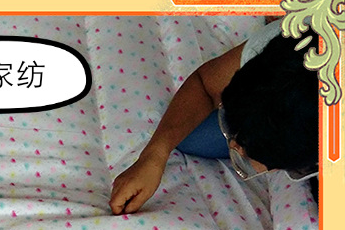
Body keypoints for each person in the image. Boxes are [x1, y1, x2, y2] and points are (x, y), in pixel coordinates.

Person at [109, 20, 318, 215]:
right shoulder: (286, 40)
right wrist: (154, 156)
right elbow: (206, 85)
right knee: (192, 135)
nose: (235, 146)